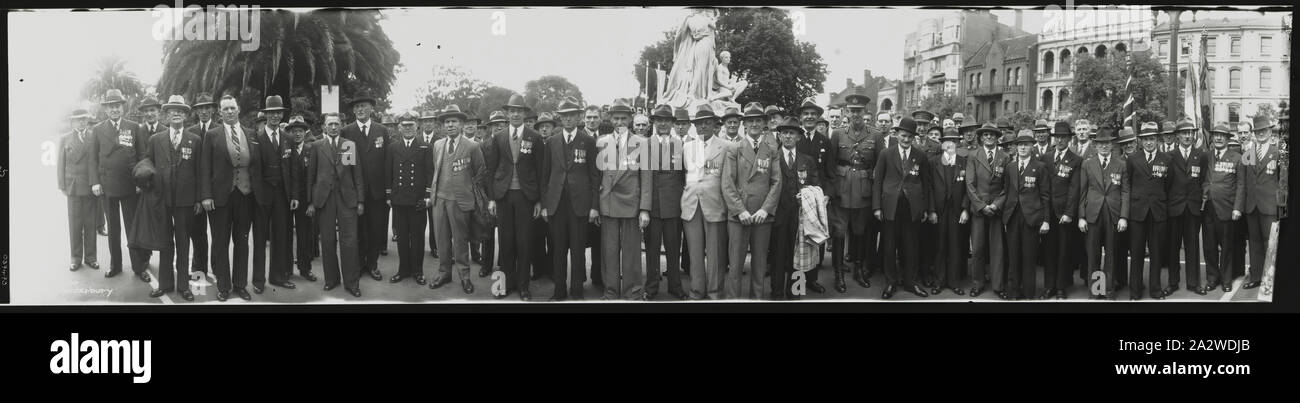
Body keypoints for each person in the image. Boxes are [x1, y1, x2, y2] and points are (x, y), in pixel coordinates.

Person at [199, 95, 263, 301]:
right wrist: (206, 195)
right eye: (225, 109)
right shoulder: (212, 135)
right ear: (219, 112)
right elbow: (204, 168)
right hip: (220, 197)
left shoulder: (251, 133)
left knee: (242, 242)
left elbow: (256, 166)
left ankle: (240, 284)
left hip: (245, 195)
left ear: (239, 109)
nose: (229, 111)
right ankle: (224, 286)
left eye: (232, 108)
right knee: (220, 242)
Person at [483, 94, 546, 301]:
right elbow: (491, 170)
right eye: (512, 110)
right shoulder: (498, 137)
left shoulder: (534, 137)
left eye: (519, 110)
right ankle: (503, 285)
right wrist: (492, 198)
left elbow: (541, 171)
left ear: (525, 113)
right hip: (503, 196)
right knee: (506, 242)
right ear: (508, 113)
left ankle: (523, 286)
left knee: (524, 242)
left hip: (526, 197)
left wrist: (539, 201)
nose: (516, 113)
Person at [88, 89, 151, 283]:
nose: (114, 109)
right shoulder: (98, 129)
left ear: (122, 107)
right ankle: (115, 265)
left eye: (117, 105)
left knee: (133, 227)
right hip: (108, 187)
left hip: (131, 186)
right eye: (110, 106)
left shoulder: (134, 127)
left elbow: (143, 157)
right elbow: (92, 159)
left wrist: (141, 182)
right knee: (113, 228)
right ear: (106, 109)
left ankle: (139, 267)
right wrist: (95, 182)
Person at [142, 95, 200, 301]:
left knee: (183, 243)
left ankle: (183, 286)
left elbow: (200, 172)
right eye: (172, 110)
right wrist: (147, 184)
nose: (176, 114)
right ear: (166, 115)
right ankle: (165, 284)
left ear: (185, 115)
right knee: (165, 243)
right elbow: (147, 163)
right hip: (163, 201)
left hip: (186, 201)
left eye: (180, 111)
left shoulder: (195, 140)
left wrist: (199, 200)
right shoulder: (155, 139)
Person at [541, 99, 600, 301]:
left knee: (577, 250)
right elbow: (545, 176)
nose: (567, 118)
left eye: (572, 114)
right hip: (557, 205)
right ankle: (559, 291)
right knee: (558, 250)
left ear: (579, 116)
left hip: (580, 205)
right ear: (560, 117)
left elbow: (594, 175)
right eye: (564, 114)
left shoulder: (588, 141)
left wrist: (594, 206)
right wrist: (545, 205)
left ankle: (576, 291)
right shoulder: (552, 141)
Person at [721, 102, 781, 300]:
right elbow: (727, 184)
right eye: (750, 121)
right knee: (735, 264)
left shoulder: (771, 149)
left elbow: (776, 182)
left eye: (758, 120)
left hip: (762, 216)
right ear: (743, 124)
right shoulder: (734, 148)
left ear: (764, 124)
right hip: (740, 215)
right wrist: (740, 210)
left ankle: (757, 300)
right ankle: (733, 301)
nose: (754, 124)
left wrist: (766, 209)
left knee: (759, 264)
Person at [594, 99, 652, 300]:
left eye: (623, 118)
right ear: (610, 119)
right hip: (608, 202)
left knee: (631, 253)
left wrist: (645, 209)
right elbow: (596, 176)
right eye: (616, 118)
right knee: (608, 252)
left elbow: (646, 178)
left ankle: (633, 292)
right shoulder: (601, 142)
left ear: (630, 120)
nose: (619, 122)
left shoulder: (642, 143)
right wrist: (596, 205)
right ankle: (610, 292)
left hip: (631, 204)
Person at [304, 113, 365, 298]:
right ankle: (331, 279)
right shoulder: (316, 146)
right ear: (323, 127)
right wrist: (311, 202)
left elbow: (356, 175)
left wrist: (360, 200)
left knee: (349, 241)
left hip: (347, 199)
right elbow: (311, 177)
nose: (333, 127)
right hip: (324, 200)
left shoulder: (348, 145)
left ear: (341, 126)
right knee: (328, 241)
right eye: (329, 124)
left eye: (336, 124)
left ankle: (351, 282)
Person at [427, 105, 486, 295]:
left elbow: (481, 172)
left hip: (460, 201)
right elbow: (435, 170)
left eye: (454, 122)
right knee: (442, 240)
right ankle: (444, 273)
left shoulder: (472, 146)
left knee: (460, 241)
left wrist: (469, 190)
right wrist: (433, 196)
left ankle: (465, 276)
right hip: (439, 200)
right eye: (447, 122)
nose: (450, 125)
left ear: (461, 124)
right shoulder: (437, 145)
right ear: (443, 126)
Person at [873, 116, 930, 299]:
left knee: (911, 246)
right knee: (890, 246)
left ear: (914, 138)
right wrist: (877, 207)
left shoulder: (920, 155)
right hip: (890, 207)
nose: (906, 140)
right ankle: (891, 282)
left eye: (910, 137)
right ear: (897, 134)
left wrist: (926, 208)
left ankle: (910, 282)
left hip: (912, 208)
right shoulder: (886, 154)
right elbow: (878, 181)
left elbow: (926, 183)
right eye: (904, 136)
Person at [825, 95, 876, 292]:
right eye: (852, 110)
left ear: (865, 112)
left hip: (863, 191)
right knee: (838, 233)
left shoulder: (875, 135)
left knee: (860, 232)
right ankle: (838, 273)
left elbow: (879, 165)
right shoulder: (837, 134)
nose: (855, 114)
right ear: (847, 112)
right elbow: (830, 165)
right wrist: (832, 190)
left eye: (859, 111)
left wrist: (869, 179)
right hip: (842, 190)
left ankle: (859, 269)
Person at [682, 103, 731, 300]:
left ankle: (714, 292)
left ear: (714, 124)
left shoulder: (726, 147)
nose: (702, 127)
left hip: (715, 204)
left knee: (716, 254)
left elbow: (729, 179)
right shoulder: (687, 147)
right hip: (691, 204)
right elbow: (685, 174)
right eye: (699, 123)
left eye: (707, 123)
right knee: (694, 254)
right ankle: (696, 291)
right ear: (695, 125)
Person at [251, 95, 297, 293]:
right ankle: (258, 281)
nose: (275, 116)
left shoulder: (287, 138)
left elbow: (293, 169)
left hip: (282, 195)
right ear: (266, 115)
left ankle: (278, 277)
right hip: (262, 195)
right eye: (272, 113)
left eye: (279, 112)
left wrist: (294, 195)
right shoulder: (255, 137)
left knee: (281, 237)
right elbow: (253, 170)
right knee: (260, 239)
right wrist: (257, 195)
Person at [771, 116, 821, 300]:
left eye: (792, 133)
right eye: (784, 133)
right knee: (777, 254)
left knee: (799, 255)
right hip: (778, 213)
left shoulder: (807, 160)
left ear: (798, 137)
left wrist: (807, 194)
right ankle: (776, 292)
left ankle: (795, 292)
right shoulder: (772, 157)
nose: (788, 137)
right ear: (780, 136)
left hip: (800, 215)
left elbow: (817, 186)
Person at [341, 94, 389, 283]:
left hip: (377, 192)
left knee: (376, 230)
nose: (361, 109)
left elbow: (386, 162)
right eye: (357, 107)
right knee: (359, 230)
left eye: (364, 106)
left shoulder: (382, 131)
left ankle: (373, 264)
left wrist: (387, 191)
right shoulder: (347, 131)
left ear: (371, 109)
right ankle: (360, 264)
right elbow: (346, 163)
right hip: (356, 192)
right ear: (353, 111)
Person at [1077, 128, 1127, 300]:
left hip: (1113, 214)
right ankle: (1095, 290)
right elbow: (1081, 192)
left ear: (1112, 145)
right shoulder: (1087, 164)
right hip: (1092, 214)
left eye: (1107, 143)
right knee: (1093, 254)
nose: (1104, 146)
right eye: (1100, 143)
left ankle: (1109, 290)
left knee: (1112, 254)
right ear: (1095, 145)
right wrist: (1081, 217)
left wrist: (1123, 217)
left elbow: (1125, 192)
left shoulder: (1121, 164)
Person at [644, 104, 687, 300]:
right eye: (659, 120)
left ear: (672, 123)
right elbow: (642, 178)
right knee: (652, 250)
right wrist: (643, 208)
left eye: (666, 120)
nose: (662, 123)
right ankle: (651, 287)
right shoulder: (644, 144)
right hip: (652, 205)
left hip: (673, 205)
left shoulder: (681, 146)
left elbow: (685, 176)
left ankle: (675, 286)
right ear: (654, 122)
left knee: (673, 249)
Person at [383, 112, 431, 286]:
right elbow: (388, 172)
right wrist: (388, 195)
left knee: (418, 238)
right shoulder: (393, 147)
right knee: (402, 237)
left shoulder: (425, 147)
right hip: (399, 200)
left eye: (411, 125)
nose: (408, 128)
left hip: (418, 200)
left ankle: (418, 271)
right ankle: (403, 270)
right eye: (405, 125)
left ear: (416, 126)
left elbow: (429, 172)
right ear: (399, 128)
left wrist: (427, 196)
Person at [1002, 130, 1051, 300]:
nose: (1022, 147)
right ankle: (1015, 291)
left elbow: (1045, 195)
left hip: (1032, 217)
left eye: (1026, 144)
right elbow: (1007, 192)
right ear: (1016, 147)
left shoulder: (1040, 167)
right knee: (1013, 255)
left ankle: (1029, 292)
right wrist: (1005, 217)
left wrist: (1046, 220)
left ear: (1032, 147)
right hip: (1013, 217)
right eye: (1020, 144)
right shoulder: (1010, 167)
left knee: (1029, 256)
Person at [1125, 122, 1172, 300]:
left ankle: (1155, 289)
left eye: (1152, 139)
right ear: (1141, 141)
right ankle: (1135, 291)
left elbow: (1168, 185)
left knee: (1156, 253)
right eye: (1145, 139)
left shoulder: (1166, 159)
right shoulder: (1133, 159)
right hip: (1137, 212)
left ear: (1157, 139)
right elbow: (1128, 184)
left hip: (1158, 211)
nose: (1149, 143)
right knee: (1136, 253)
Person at [794, 100, 835, 293]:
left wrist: (826, 196)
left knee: (814, 239)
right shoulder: (793, 137)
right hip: (795, 196)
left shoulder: (824, 141)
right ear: (801, 117)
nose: (809, 117)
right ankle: (797, 283)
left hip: (817, 198)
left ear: (818, 117)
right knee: (796, 242)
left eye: (813, 113)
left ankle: (812, 279)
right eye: (806, 114)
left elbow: (829, 172)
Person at [965, 123, 1008, 298]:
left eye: (992, 135)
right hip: (979, 210)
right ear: (981, 137)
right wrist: (982, 206)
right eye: (986, 135)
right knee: (978, 249)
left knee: (997, 250)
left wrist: (996, 205)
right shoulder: (973, 155)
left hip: (996, 210)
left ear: (997, 137)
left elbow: (1007, 186)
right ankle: (978, 283)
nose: (989, 137)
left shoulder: (1005, 157)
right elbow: (969, 184)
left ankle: (998, 286)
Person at [1040, 121, 1082, 299]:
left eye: (1064, 137)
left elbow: (1074, 189)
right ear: (1054, 139)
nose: (1060, 140)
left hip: (1064, 214)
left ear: (1069, 139)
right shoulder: (1046, 158)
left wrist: (1069, 213)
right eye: (1058, 137)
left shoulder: (1076, 160)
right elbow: (1042, 188)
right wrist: (1044, 215)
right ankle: (1049, 286)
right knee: (1049, 251)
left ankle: (1060, 287)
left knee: (1064, 252)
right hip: (1048, 213)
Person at [1242, 114, 1282, 290]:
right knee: (1255, 243)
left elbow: (1283, 181)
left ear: (1270, 131)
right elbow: (1243, 181)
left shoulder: (1278, 152)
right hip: (1251, 206)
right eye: (1257, 131)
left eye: (1264, 130)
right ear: (1254, 132)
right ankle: (1256, 277)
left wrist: (1282, 207)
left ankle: (1270, 280)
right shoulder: (1248, 153)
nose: (1261, 133)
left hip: (1270, 206)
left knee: (1271, 243)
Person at [927, 127, 968, 296]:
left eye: (954, 141)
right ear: (942, 144)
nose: (950, 144)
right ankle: (939, 281)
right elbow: (929, 187)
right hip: (939, 210)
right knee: (939, 245)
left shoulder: (963, 161)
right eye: (947, 141)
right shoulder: (933, 161)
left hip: (957, 211)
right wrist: (931, 210)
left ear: (958, 143)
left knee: (955, 245)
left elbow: (968, 187)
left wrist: (966, 209)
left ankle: (954, 281)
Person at [59, 108, 100, 273]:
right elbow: (61, 163)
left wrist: (97, 183)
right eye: (78, 119)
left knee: (91, 224)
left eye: (84, 119)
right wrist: (62, 185)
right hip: (73, 187)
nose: (81, 122)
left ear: (87, 120)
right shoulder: (65, 138)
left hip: (91, 186)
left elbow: (97, 161)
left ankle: (91, 257)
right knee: (75, 225)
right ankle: (75, 258)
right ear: (72, 122)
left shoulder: (94, 136)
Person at [186, 93, 218, 279]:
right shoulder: (190, 132)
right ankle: (199, 269)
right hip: (196, 194)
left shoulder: (221, 130)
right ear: (196, 111)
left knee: (218, 233)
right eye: (200, 108)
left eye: (207, 107)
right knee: (197, 232)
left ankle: (217, 268)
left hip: (216, 192)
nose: (204, 111)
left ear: (213, 109)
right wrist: (197, 196)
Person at [284, 116, 319, 283]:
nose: (297, 134)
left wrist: (312, 202)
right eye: (293, 131)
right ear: (289, 133)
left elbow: (315, 179)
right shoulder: (285, 150)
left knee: (305, 235)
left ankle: (305, 269)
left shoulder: (311, 150)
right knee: (285, 234)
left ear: (305, 133)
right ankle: (286, 269)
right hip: (287, 198)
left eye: (300, 131)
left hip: (305, 200)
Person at [530, 112, 557, 282]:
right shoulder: (533, 144)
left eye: (547, 126)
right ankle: (538, 268)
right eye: (541, 126)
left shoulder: (557, 144)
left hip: (554, 198)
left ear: (553, 128)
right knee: (536, 237)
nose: (544, 129)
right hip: (536, 197)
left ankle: (553, 269)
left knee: (554, 237)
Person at [419, 109, 444, 259]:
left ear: (435, 123)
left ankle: (435, 247)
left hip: (436, 185)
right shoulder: (414, 139)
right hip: (418, 186)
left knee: (435, 220)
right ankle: (418, 246)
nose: (428, 123)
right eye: (425, 121)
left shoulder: (441, 141)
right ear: (421, 124)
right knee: (419, 220)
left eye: (430, 121)